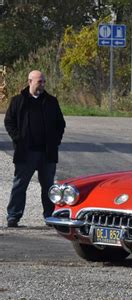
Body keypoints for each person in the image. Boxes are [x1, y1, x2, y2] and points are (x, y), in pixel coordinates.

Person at [4, 70, 65, 227]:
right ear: (30, 81)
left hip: (47, 153)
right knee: (20, 185)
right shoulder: (18, 101)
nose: (42, 85)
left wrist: (55, 141)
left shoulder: (51, 101)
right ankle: (13, 216)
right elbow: (9, 122)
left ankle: (50, 216)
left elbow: (60, 124)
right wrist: (18, 138)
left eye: (44, 82)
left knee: (48, 187)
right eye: (39, 82)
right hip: (26, 152)